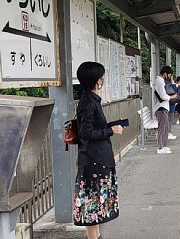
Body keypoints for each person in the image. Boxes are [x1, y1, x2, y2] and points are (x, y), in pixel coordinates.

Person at [74, 62, 123, 239]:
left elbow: (91, 128)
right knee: (92, 205)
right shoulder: (88, 102)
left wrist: (109, 126)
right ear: (96, 80)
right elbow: (85, 133)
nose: (103, 80)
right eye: (101, 77)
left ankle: (96, 237)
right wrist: (111, 130)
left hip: (96, 160)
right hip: (93, 161)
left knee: (95, 205)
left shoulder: (91, 99)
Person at [154, 66, 178, 154]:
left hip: (163, 107)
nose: (169, 76)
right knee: (162, 128)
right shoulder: (160, 82)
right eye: (169, 74)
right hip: (161, 108)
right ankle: (160, 147)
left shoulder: (160, 81)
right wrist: (173, 97)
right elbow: (163, 96)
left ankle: (163, 146)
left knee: (165, 128)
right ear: (164, 73)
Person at [166, 75, 178, 139]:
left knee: (170, 119)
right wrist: (173, 83)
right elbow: (174, 91)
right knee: (169, 120)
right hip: (169, 104)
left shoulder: (168, 83)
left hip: (171, 104)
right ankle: (167, 133)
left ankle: (168, 132)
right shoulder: (167, 84)